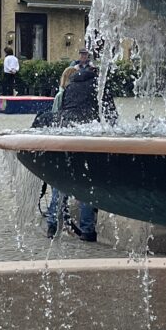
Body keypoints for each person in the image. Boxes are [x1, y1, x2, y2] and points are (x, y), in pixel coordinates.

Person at [46, 50, 102, 240]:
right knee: (87, 182)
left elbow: (61, 112)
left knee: (60, 180)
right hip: (87, 138)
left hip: (66, 136)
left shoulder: (70, 87)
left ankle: (52, 224)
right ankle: (87, 230)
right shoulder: (97, 87)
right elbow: (110, 116)